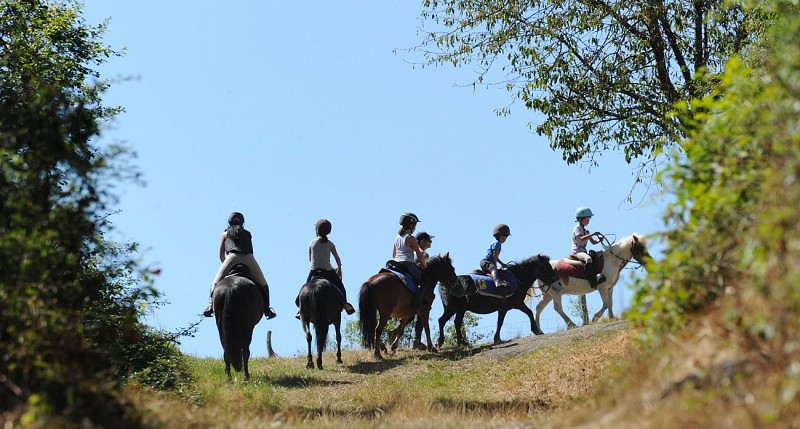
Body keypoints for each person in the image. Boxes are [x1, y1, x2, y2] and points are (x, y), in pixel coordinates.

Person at [203, 212, 277, 319]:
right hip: (249, 258)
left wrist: (226, 268)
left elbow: (221, 254)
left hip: (232, 257)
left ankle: (210, 306)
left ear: (229, 222)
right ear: (242, 222)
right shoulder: (248, 233)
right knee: (264, 284)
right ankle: (267, 309)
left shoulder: (225, 234)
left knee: (215, 282)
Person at [299, 218, 355, 317]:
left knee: (304, 289)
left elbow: (310, 259)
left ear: (317, 230)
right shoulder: (330, 244)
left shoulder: (312, 243)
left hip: (314, 270)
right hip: (328, 270)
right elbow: (337, 259)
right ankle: (345, 304)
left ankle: (300, 309)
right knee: (340, 286)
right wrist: (339, 269)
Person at [391, 212, 428, 308]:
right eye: (415, 225)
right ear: (412, 225)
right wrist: (425, 266)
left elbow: (393, 254)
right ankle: (417, 303)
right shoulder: (411, 238)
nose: (415, 228)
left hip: (396, 263)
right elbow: (420, 256)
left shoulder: (397, 238)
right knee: (424, 280)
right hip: (407, 264)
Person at [571, 206, 606, 289]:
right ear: (580, 219)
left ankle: (597, 274)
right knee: (589, 259)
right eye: (586, 220)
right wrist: (593, 234)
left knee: (597, 256)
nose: (587, 221)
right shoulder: (577, 228)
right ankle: (591, 279)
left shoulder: (586, 231)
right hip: (577, 252)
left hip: (583, 251)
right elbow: (581, 238)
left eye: (588, 220)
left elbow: (593, 242)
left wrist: (600, 240)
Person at [480, 224, 511, 289]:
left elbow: (496, 257)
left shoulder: (496, 243)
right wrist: (495, 266)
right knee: (494, 268)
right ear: (498, 236)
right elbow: (494, 257)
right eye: (503, 237)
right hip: (486, 262)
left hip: (488, 262)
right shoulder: (497, 243)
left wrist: (502, 264)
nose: (505, 239)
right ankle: (498, 283)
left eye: (506, 237)